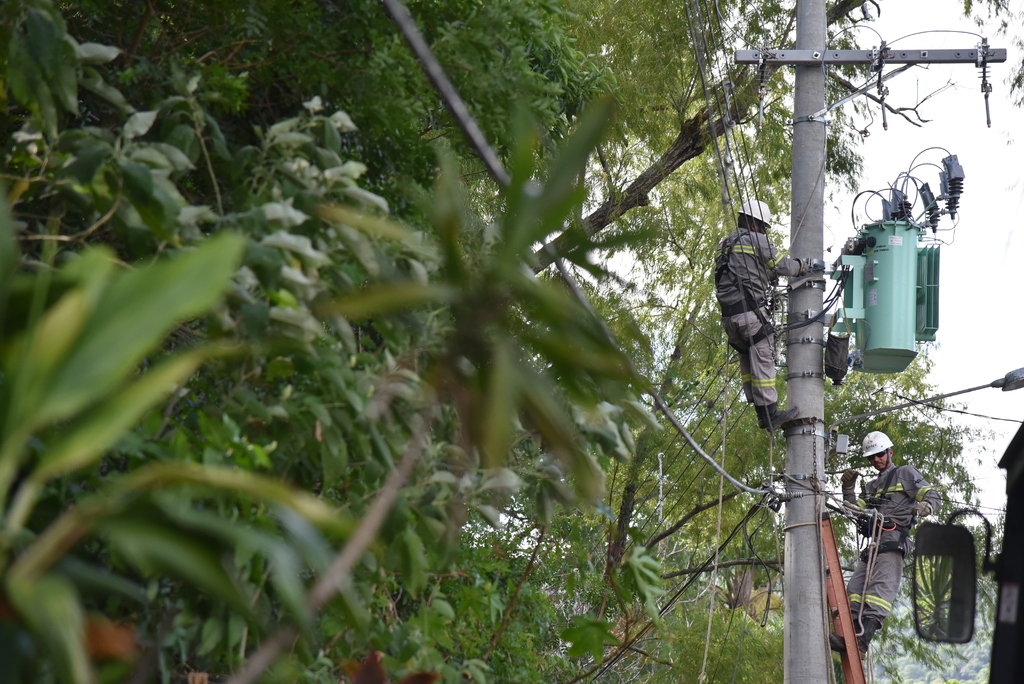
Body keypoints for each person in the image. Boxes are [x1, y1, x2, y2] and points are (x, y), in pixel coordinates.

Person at [831, 430, 941, 655]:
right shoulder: (871, 486)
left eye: (880, 454)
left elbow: (933, 495)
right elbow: (853, 511)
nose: (876, 460)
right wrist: (848, 489)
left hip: (893, 540)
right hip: (873, 543)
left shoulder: (905, 474)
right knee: (854, 590)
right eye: (871, 457)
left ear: (890, 452)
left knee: (879, 591)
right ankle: (850, 639)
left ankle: (861, 643)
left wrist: (926, 506)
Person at [714, 199, 814, 430]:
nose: (763, 232)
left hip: (729, 319)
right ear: (754, 223)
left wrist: (764, 276)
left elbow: (739, 271)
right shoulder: (757, 240)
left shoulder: (726, 243)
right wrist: (804, 266)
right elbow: (784, 266)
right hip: (749, 315)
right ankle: (769, 414)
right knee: (763, 353)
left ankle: (760, 409)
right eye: (763, 227)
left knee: (749, 356)